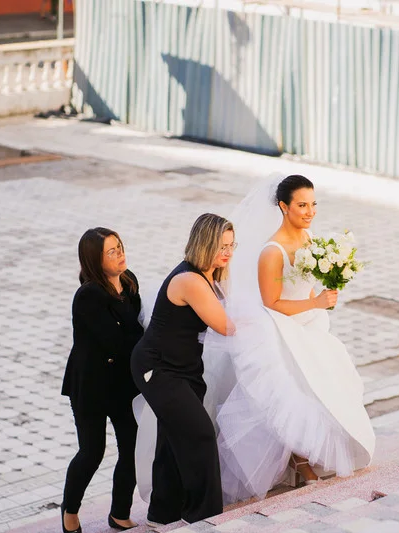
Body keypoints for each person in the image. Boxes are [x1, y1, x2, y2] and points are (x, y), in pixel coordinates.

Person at [207, 174, 376, 503]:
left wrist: (323, 295)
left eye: (313, 204)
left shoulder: (310, 239)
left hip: (309, 322)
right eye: (302, 205)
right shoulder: (271, 252)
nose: (309, 211)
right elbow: (272, 303)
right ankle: (299, 458)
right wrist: (313, 303)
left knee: (325, 383)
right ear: (284, 206)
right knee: (294, 391)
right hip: (279, 327)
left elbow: (308, 285)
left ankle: (310, 455)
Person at [130, 213, 235, 526]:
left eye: (232, 245)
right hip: (157, 369)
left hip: (183, 367)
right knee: (200, 434)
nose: (228, 253)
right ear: (204, 244)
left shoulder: (209, 275)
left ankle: (162, 512)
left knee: (172, 437)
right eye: (222, 246)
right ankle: (204, 517)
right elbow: (226, 326)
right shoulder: (189, 279)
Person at [61, 228, 143, 533]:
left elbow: (134, 327)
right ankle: (70, 510)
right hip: (91, 385)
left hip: (122, 382)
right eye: (112, 251)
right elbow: (117, 340)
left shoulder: (129, 280)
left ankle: (120, 512)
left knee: (132, 447)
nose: (120, 254)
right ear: (95, 260)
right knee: (92, 452)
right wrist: (154, 341)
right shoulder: (89, 295)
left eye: (120, 247)